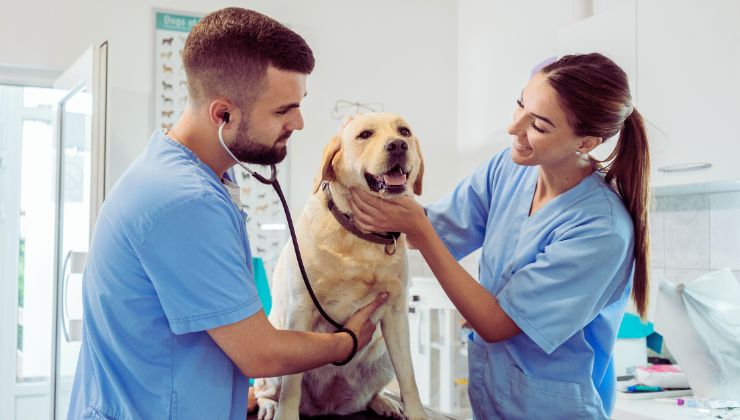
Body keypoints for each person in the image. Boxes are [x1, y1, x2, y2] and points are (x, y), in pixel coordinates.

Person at [68, 8, 388, 420]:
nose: (300, 122)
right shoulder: (184, 202)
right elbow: (260, 353)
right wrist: (348, 342)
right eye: (282, 111)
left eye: (300, 104)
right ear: (223, 115)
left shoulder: (183, 169)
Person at [349, 53, 650, 419]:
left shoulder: (601, 229)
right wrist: (368, 184)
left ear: (585, 143)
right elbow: (436, 228)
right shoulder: (509, 169)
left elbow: (495, 324)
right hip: (492, 401)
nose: (514, 128)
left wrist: (418, 227)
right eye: (520, 104)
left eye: (538, 125)